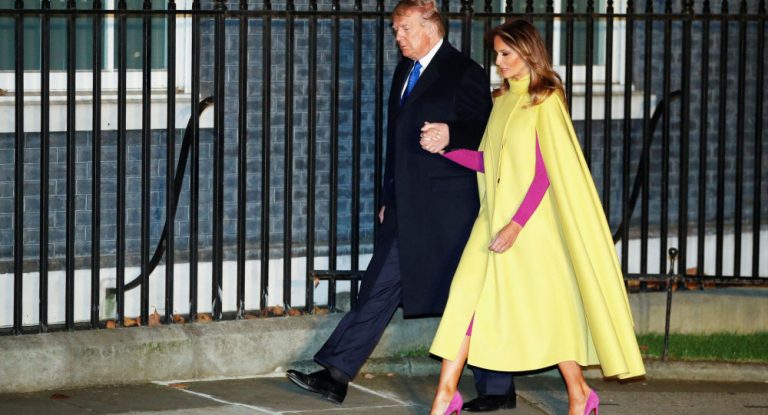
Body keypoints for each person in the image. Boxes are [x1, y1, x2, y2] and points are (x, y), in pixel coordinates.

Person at [286, 1, 516, 409]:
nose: (398, 37)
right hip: (407, 204)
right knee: (379, 285)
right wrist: (387, 197)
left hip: (449, 209)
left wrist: (452, 133)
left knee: (471, 296)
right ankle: (336, 374)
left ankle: (498, 388)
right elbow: (396, 141)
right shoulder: (405, 70)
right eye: (396, 30)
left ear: (430, 25)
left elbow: (488, 132)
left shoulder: (464, 71)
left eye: (405, 28)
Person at [426, 19, 646, 415]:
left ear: (528, 53)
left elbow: (546, 174)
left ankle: (580, 392)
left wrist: (516, 225)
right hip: (491, 222)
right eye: (496, 54)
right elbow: (490, 161)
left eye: (505, 53)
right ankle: (445, 395)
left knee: (544, 313)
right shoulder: (500, 101)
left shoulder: (545, 101)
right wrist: (447, 149)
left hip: (530, 228)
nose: (498, 62)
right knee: (464, 301)